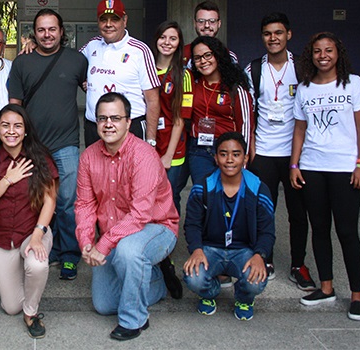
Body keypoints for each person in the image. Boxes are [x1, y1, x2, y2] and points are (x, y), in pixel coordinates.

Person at [75, 92, 179, 341]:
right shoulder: (89, 156)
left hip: (156, 227)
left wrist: (103, 244)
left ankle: (134, 320)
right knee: (104, 304)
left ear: (128, 122)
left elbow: (139, 214)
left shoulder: (143, 155)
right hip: (115, 234)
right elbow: (84, 204)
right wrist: (87, 241)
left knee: (128, 252)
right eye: (102, 118)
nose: (108, 124)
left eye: (115, 118)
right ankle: (156, 280)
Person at [290, 32, 360, 321]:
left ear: (338, 53)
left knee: (347, 231)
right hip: (312, 166)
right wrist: (294, 165)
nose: (322, 55)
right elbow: (299, 129)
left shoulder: (354, 84)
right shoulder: (305, 88)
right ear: (310, 55)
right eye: (317, 51)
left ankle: (357, 295)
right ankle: (326, 288)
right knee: (320, 228)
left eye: (328, 50)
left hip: (345, 169)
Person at [8, 8, 87, 281]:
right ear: (34, 33)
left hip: (66, 144)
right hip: (33, 146)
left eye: (52, 29)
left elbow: (96, 89)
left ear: (62, 31)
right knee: (37, 201)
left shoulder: (77, 60)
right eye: (41, 30)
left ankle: (69, 255)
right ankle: (47, 248)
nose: (47, 34)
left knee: (66, 202)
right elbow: (14, 106)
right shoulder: (22, 63)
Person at [0, 104, 58, 339]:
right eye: (5, 126)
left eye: (18, 126)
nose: (12, 131)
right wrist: (7, 180)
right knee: (11, 307)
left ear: (26, 131)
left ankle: (31, 313)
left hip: (32, 230)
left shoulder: (39, 158)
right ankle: (24, 279)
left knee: (37, 264)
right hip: (1, 236)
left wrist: (39, 234)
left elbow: (50, 201)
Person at [245, 12, 314, 286]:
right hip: (263, 151)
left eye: (278, 33)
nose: (273, 38)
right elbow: (248, 111)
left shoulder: (303, 68)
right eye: (267, 34)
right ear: (262, 37)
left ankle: (299, 264)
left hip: (296, 154)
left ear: (289, 35)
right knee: (264, 209)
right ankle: (266, 257)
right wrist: (250, 149)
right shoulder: (254, 70)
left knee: (298, 213)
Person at [183, 132, 275, 321]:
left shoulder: (258, 189)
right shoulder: (203, 187)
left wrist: (260, 255)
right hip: (211, 249)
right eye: (223, 154)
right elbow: (192, 224)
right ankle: (210, 293)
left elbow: (267, 231)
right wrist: (197, 249)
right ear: (216, 158)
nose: (230, 160)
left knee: (256, 281)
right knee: (193, 277)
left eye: (236, 154)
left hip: (244, 251)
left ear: (245, 158)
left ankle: (243, 298)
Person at [80, 0, 160, 146]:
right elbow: (69, 62)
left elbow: (152, 100)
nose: (108, 24)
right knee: (96, 169)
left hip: (130, 128)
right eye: (103, 19)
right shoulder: (92, 46)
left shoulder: (140, 50)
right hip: (95, 127)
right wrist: (34, 45)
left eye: (114, 19)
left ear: (125, 20)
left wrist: (151, 140)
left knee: (131, 170)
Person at [151, 20, 194, 299]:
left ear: (180, 44)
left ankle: (167, 260)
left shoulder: (183, 75)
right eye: (163, 37)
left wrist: (167, 155)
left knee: (168, 205)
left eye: (173, 38)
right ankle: (153, 255)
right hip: (147, 147)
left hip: (171, 153)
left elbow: (180, 120)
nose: (167, 42)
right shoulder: (147, 68)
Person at [187, 36, 253, 187]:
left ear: (218, 56)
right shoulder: (192, 86)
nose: (203, 61)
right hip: (199, 149)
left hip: (228, 149)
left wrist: (242, 157)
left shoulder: (236, 89)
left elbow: (246, 126)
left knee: (227, 194)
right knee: (203, 193)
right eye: (197, 58)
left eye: (208, 55)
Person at [182, 1, 239, 68]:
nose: (206, 25)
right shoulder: (182, 53)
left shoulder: (229, 56)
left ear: (219, 24)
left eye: (212, 21)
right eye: (201, 21)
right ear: (195, 23)